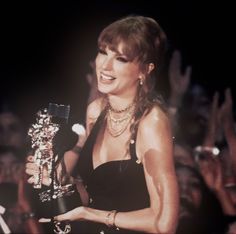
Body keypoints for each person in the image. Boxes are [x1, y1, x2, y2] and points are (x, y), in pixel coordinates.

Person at [26, 15, 179, 234]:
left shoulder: (152, 121)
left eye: (121, 58)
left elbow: (165, 224)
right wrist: (54, 180)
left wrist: (90, 214)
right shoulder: (96, 110)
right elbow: (94, 192)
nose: (105, 66)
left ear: (145, 69)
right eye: (103, 52)